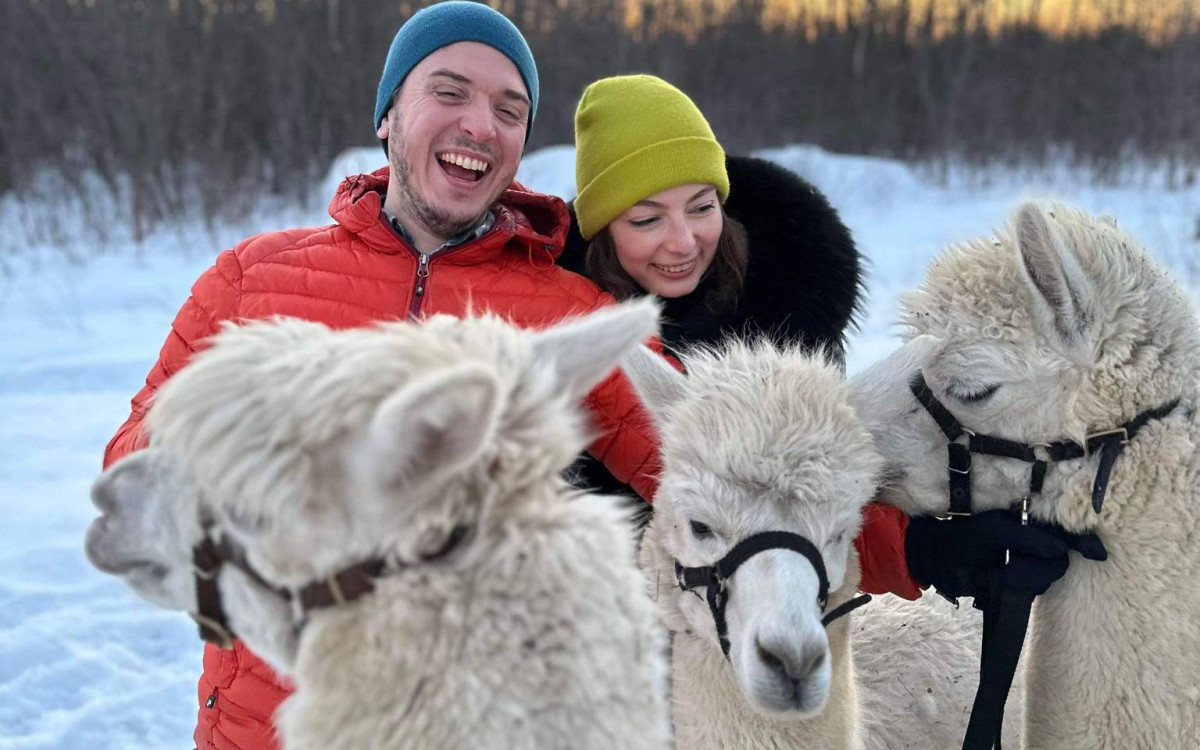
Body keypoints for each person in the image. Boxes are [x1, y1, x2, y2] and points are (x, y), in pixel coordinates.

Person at [103, 7, 661, 750]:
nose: (480, 125)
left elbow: (712, 470)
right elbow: (130, 465)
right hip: (257, 729)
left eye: (509, 109)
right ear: (388, 113)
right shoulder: (252, 278)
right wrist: (263, 428)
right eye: (450, 92)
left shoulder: (567, 313)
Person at [561, 74, 1103, 607]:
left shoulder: (786, 319)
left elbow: (809, 498)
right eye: (646, 218)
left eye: (702, 207)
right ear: (603, 229)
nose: (682, 241)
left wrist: (932, 549)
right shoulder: (560, 338)